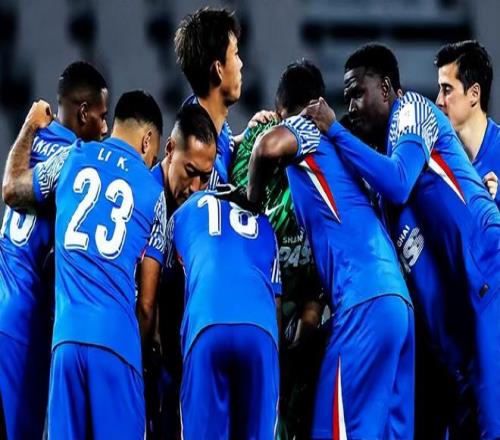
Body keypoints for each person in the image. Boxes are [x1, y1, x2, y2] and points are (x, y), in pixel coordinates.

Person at [303, 42, 500, 439]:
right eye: (346, 98)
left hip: (487, 272)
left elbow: (398, 182)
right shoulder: (377, 172)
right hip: (456, 317)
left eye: (358, 92)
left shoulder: (412, 110)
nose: (351, 106)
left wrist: (334, 130)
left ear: (387, 89)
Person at [248, 60, 414, 440]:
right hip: (397, 304)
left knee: (331, 429)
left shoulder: (305, 126)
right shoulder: (344, 148)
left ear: (283, 112)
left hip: (363, 301)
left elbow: (266, 147)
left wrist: (251, 206)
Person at [3, 90, 167, 438]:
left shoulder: (71, 156)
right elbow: (147, 305)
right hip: (116, 345)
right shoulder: (154, 193)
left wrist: (30, 126)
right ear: (148, 140)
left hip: (65, 343)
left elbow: (13, 189)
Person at [0, 61, 108, 439]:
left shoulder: (33, 140)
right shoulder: (75, 161)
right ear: (83, 112)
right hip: (27, 322)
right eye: (102, 116)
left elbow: (10, 182)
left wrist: (29, 125)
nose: (105, 128)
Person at [166, 189, 281, 440]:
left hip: (206, 324)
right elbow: (277, 303)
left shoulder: (182, 214)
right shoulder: (266, 224)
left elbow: (164, 293)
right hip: (261, 331)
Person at [141, 103, 218, 439]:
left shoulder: (208, 199)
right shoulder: (142, 196)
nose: (196, 187)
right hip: (144, 350)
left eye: (205, 176)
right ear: (169, 149)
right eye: (190, 171)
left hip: (186, 353)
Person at [436, 40, 500, 207]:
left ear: (474, 94)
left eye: (447, 89)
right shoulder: (438, 162)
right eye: (439, 89)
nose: (438, 101)